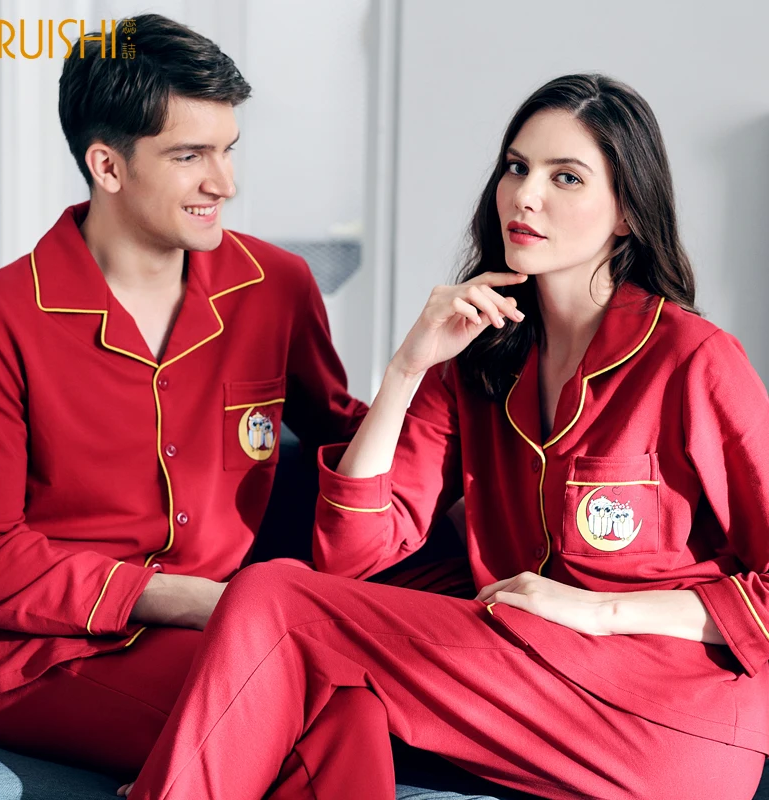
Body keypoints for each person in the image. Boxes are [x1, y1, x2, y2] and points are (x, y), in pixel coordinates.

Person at [125, 74, 769, 800]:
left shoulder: (693, 360)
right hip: (530, 670)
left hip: (667, 713)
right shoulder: (479, 357)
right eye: (517, 168)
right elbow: (353, 558)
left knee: (273, 599)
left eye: (565, 177)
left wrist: (600, 609)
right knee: (312, 650)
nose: (525, 196)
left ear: (626, 212)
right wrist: (408, 367)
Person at [0, 13, 375, 798]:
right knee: (317, 706)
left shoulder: (276, 287)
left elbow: (343, 433)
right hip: (47, 654)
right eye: (190, 156)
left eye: (228, 150)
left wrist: (437, 386)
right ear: (107, 166)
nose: (224, 184)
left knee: (341, 697)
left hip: (223, 632)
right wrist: (191, 601)